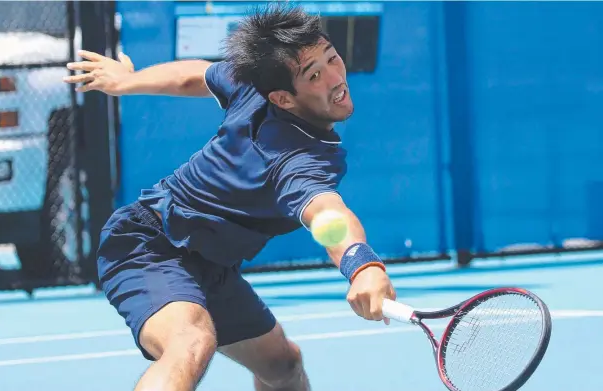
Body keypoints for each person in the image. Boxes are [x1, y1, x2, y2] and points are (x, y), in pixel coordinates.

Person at [64, 4, 396, 391]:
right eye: (315, 75)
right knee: (190, 341)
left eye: (332, 59)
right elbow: (325, 213)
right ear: (283, 98)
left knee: (283, 365)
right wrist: (361, 265)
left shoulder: (253, 85)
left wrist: (128, 81)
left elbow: (195, 75)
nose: (336, 78)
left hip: (210, 264)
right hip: (148, 244)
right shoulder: (297, 159)